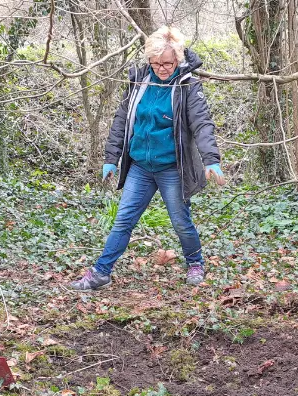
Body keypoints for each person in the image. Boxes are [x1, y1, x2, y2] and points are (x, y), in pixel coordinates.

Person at [70, 26, 223, 290]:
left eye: (167, 63)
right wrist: (111, 158)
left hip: (172, 168)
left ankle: (195, 262)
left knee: (180, 221)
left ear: (178, 59)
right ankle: (101, 273)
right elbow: (122, 121)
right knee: (123, 220)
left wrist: (211, 159)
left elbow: (202, 124)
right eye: (156, 63)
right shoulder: (139, 81)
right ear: (148, 61)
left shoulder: (188, 86)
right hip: (140, 167)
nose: (162, 69)